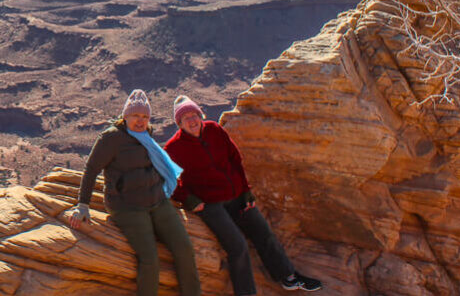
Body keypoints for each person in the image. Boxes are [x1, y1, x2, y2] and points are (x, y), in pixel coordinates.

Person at [164, 95, 323, 295]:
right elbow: (168, 178)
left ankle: (288, 277)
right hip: (209, 204)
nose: (192, 121)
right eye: (185, 118)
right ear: (179, 123)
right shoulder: (173, 147)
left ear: (200, 115)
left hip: (236, 196)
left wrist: (246, 190)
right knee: (237, 246)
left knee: (263, 232)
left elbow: (235, 158)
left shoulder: (214, 130)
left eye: (194, 115)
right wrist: (188, 199)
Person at [67, 89, 201, 296]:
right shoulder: (111, 138)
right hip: (127, 207)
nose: (140, 121)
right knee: (150, 259)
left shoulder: (146, 135)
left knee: (185, 250)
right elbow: (91, 169)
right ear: (125, 116)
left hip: (157, 200)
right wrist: (82, 205)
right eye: (136, 116)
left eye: (145, 117)